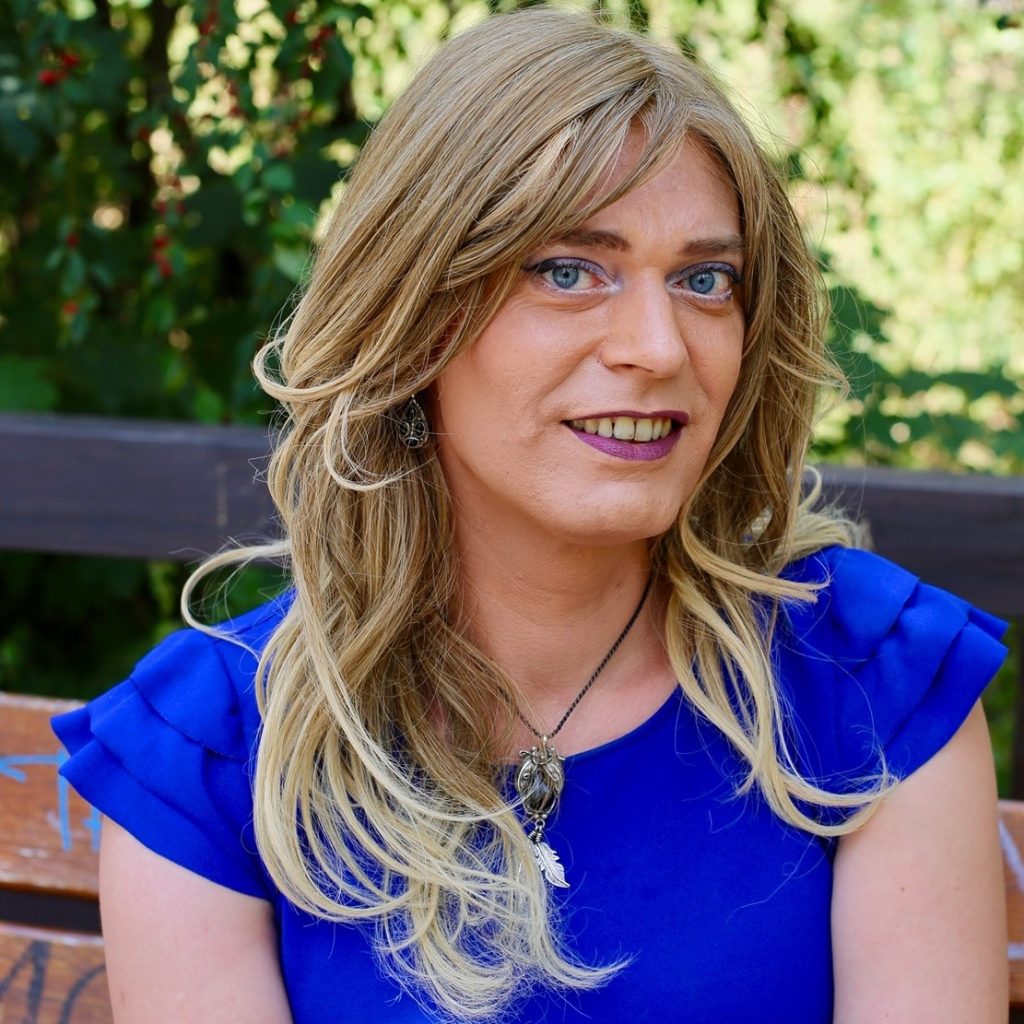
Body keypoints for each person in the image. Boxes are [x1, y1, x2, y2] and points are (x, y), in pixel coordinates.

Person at [53, 9, 1008, 1023]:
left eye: (704, 280)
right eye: (567, 271)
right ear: (414, 314)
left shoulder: (871, 681)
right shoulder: (213, 749)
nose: (657, 346)